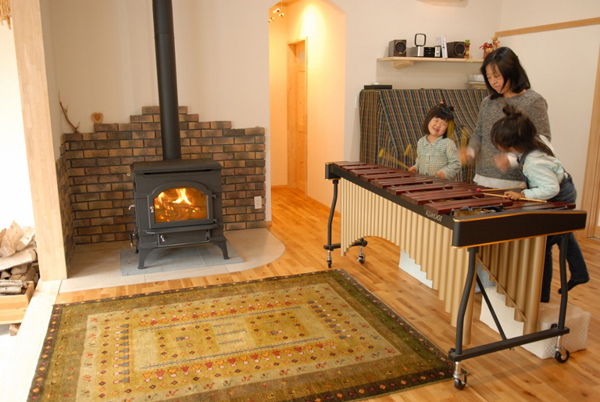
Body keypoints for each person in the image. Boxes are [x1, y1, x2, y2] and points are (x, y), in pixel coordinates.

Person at [490, 104, 589, 302]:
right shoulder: (533, 143)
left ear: (513, 143)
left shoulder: (535, 161)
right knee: (563, 235)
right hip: (562, 191)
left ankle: (542, 295)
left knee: (543, 244)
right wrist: (510, 163)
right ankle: (579, 273)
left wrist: (523, 194)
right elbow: (525, 160)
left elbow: (550, 188)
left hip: (558, 197)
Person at [460, 47, 551, 188]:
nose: (492, 82)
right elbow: (479, 133)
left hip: (517, 182)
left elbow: (542, 141)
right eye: (489, 77)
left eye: (497, 76)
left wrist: (511, 159)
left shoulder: (533, 101)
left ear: (511, 72)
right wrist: (470, 151)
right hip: (483, 178)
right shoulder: (488, 102)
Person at [408, 102, 460, 180]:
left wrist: (444, 173)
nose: (438, 125)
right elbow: (419, 160)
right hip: (422, 184)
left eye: (444, 124)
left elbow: (455, 164)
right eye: (436, 120)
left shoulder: (448, 144)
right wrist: (415, 168)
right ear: (429, 119)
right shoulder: (421, 142)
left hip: (441, 186)